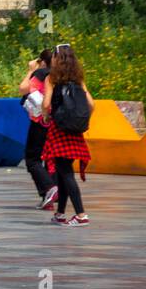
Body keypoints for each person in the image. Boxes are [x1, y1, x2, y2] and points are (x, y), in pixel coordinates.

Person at [41, 43, 95, 226]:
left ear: (57, 58)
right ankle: (60, 213)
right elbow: (91, 104)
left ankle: (81, 214)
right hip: (75, 130)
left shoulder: (52, 78)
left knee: (65, 173)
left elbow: (46, 103)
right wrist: (81, 120)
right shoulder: (78, 78)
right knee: (64, 171)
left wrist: (47, 117)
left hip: (59, 129)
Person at [18, 48, 57, 210]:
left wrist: (31, 70)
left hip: (40, 121)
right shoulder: (60, 75)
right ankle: (49, 198)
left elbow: (23, 88)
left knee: (32, 159)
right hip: (56, 122)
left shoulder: (42, 74)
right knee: (51, 159)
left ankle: (49, 189)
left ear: (43, 61)